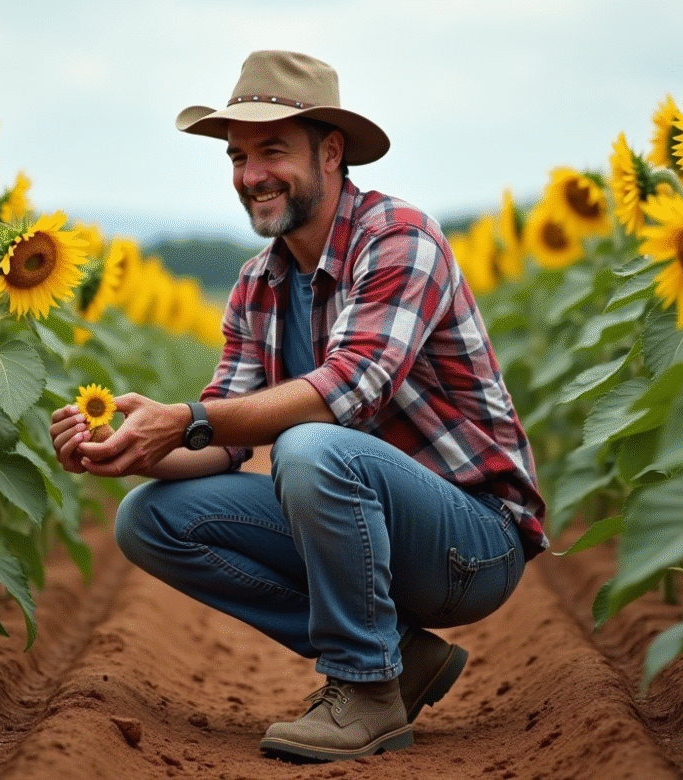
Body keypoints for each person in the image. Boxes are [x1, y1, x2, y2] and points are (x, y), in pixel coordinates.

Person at [50, 50, 547, 763]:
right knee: (149, 518)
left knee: (309, 444)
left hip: (471, 540)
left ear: (331, 152)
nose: (251, 176)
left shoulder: (399, 239)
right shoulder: (259, 282)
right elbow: (222, 438)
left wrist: (187, 418)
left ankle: (367, 691)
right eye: (238, 156)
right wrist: (132, 446)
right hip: (361, 519)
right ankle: (401, 658)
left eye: (273, 150)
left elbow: (346, 389)